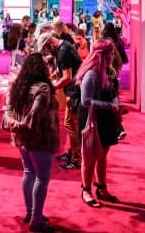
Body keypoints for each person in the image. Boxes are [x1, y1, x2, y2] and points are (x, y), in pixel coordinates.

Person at [4, 54, 60, 233]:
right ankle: (36, 220)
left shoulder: (19, 85)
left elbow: (9, 109)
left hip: (22, 137)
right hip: (40, 136)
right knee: (41, 177)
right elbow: (36, 113)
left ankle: (31, 212)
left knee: (28, 172)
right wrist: (24, 124)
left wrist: (17, 125)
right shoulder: (43, 88)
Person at [76, 39, 121, 208]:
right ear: (103, 55)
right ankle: (86, 190)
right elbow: (85, 101)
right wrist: (110, 105)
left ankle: (101, 187)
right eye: (110, 53)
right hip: (91, 118)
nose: (113, 56)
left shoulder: (107, 71)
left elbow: (112, 91)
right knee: (90, 156)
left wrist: (115, 102)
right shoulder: (92, 73)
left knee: (102, 154)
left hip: (105, 117)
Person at [39, 32, 82, 171]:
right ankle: (71, 153)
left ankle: (76, 159)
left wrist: (51, 87)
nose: (46, 51)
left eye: (46, 47)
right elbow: (61, 69)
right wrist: (51, 76)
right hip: (72, 89)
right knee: (71, 124)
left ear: (50, 42)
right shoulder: (62, 46)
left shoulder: (63, 51)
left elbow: (67, 77)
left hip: (74, 90)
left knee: (70, 124)